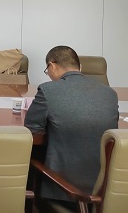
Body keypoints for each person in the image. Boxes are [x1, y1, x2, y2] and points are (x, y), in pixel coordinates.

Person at [24, 46, 118, 203]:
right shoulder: (110, 93)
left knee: (33, 157)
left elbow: (32, 133)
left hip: (66, 191)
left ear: (52, 66)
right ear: (80, 67)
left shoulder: (48, 90)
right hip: (103, 189)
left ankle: (33, 211)